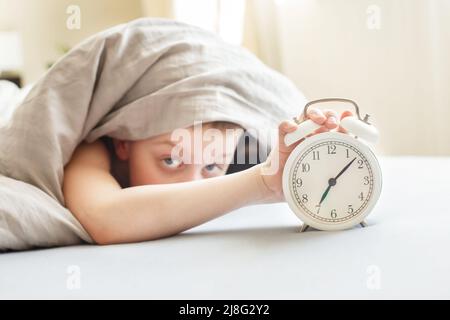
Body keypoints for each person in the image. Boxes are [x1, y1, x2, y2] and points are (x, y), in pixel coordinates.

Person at [62, 107, 352, 245]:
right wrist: (262, 184)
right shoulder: (93, 146)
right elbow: (105, 219)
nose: (192, 187)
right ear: (123, 142)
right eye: (171, 160)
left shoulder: (247, 147)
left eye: (212, 167)